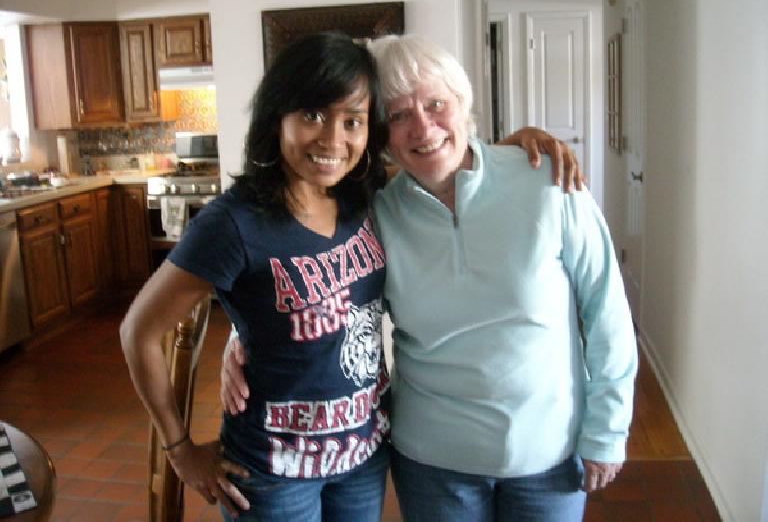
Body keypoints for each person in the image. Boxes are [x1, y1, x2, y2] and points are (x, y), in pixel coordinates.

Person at [221, 34, 637, 522]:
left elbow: (606, 311)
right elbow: (309, 280)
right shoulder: (373, 214)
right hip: (432, 462)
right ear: (381, 134)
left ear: (462, 105)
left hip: (548, 456)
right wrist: (242, 334)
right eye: (398, 116)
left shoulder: (547, 182)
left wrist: (608, 430)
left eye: (436, 104)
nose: (423, 127)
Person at [121, 32, 392, 521]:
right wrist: (179, 449)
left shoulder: (364, 199)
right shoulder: (235, 222)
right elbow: (139, 332)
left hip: (362, 458)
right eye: (313, 115)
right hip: (272, 474)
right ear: (277, 118)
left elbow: (442, 149)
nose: (334, 139)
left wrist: (519, 146)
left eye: (352, 121)